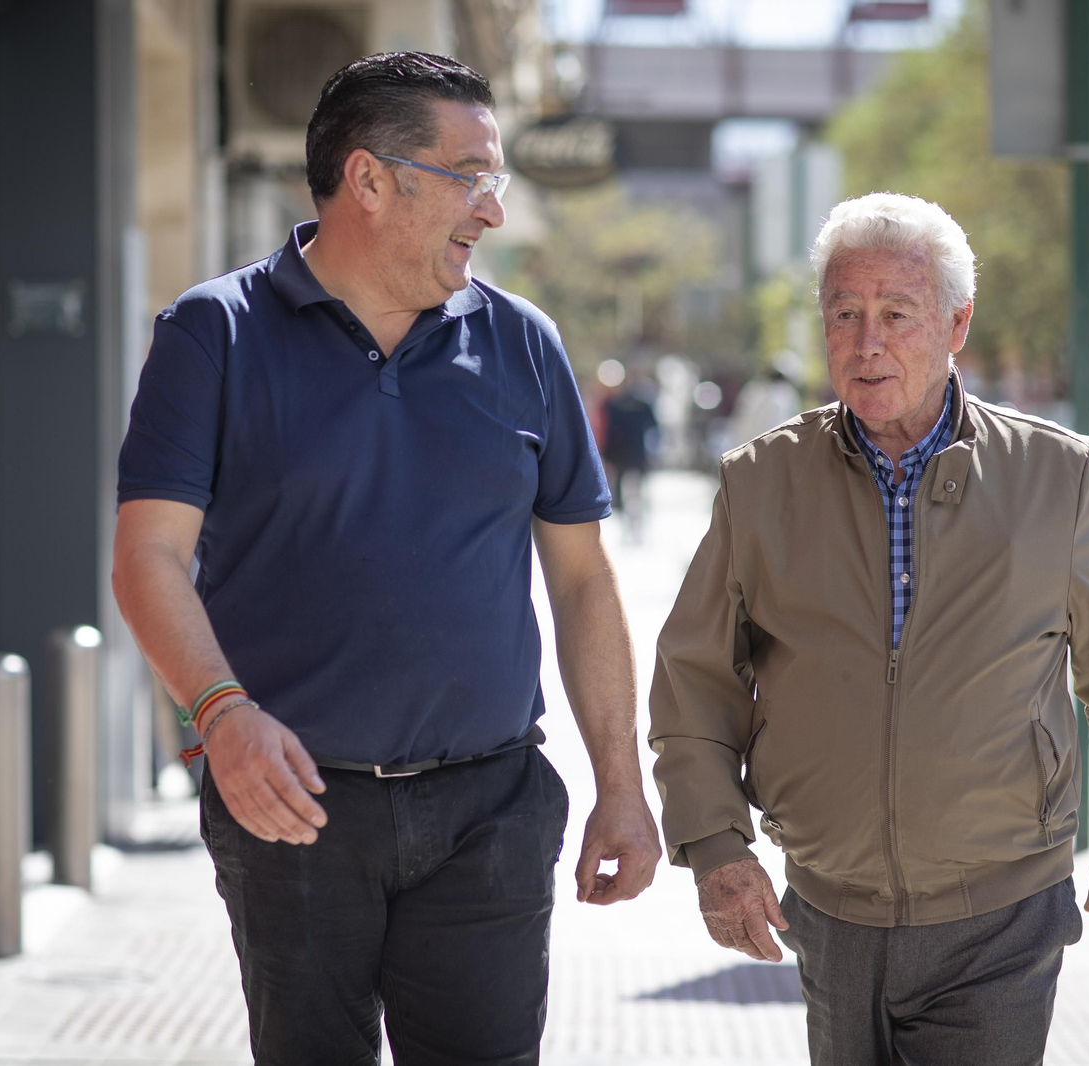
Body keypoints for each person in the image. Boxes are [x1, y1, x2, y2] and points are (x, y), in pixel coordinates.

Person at [113, 52, 661, 1066]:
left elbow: (582, 581)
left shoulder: (524, 344)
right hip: (290, 812)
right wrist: (221, 716)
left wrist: (621, 784)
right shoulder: (213, 335)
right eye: (471, 177)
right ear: (369, 179)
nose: (492, 213)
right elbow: (147, 557)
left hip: (489, 809)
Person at [648, 192, 1089, 1066]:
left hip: (1002, 914)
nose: (868, 344)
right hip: (826, 907)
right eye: (844, 314)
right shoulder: (760, 483)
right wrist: (715, 845)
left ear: (955, 323)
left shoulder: (1054, 476)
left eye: (897, 314)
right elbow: (693, 680)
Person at [601, 371, 658, 538]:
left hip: (627, 456)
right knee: (628, 493)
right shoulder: (617, 405)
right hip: (629, 456)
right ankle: (631, 527)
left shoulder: (616, 405)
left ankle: (635, 526)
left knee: (634, 492)